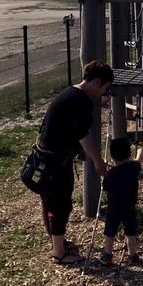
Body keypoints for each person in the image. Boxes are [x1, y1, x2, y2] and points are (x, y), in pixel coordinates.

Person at [36, 60, 114, 265]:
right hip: (55, 161)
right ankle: (59, 253)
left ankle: (58, 243)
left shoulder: (70, 92)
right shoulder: (81, 100)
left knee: (52, 202)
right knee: (60, 204)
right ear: (97, 82)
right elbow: (81, 133)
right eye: (105, 88)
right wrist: (98, 161)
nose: (103, 93)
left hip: (48, 156)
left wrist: (77, 150)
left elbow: (65, 127)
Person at [99, 137, 143, 266]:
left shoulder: (111, 174)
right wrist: (139, 149)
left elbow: (106, 188)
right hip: (129, 208)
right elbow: (139, 157)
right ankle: (132, 255)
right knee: (130, 232)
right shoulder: (133, 167)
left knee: (110, 231)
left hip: (114, 208)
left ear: (112, 156)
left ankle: (107, 254)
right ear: (129, 155)